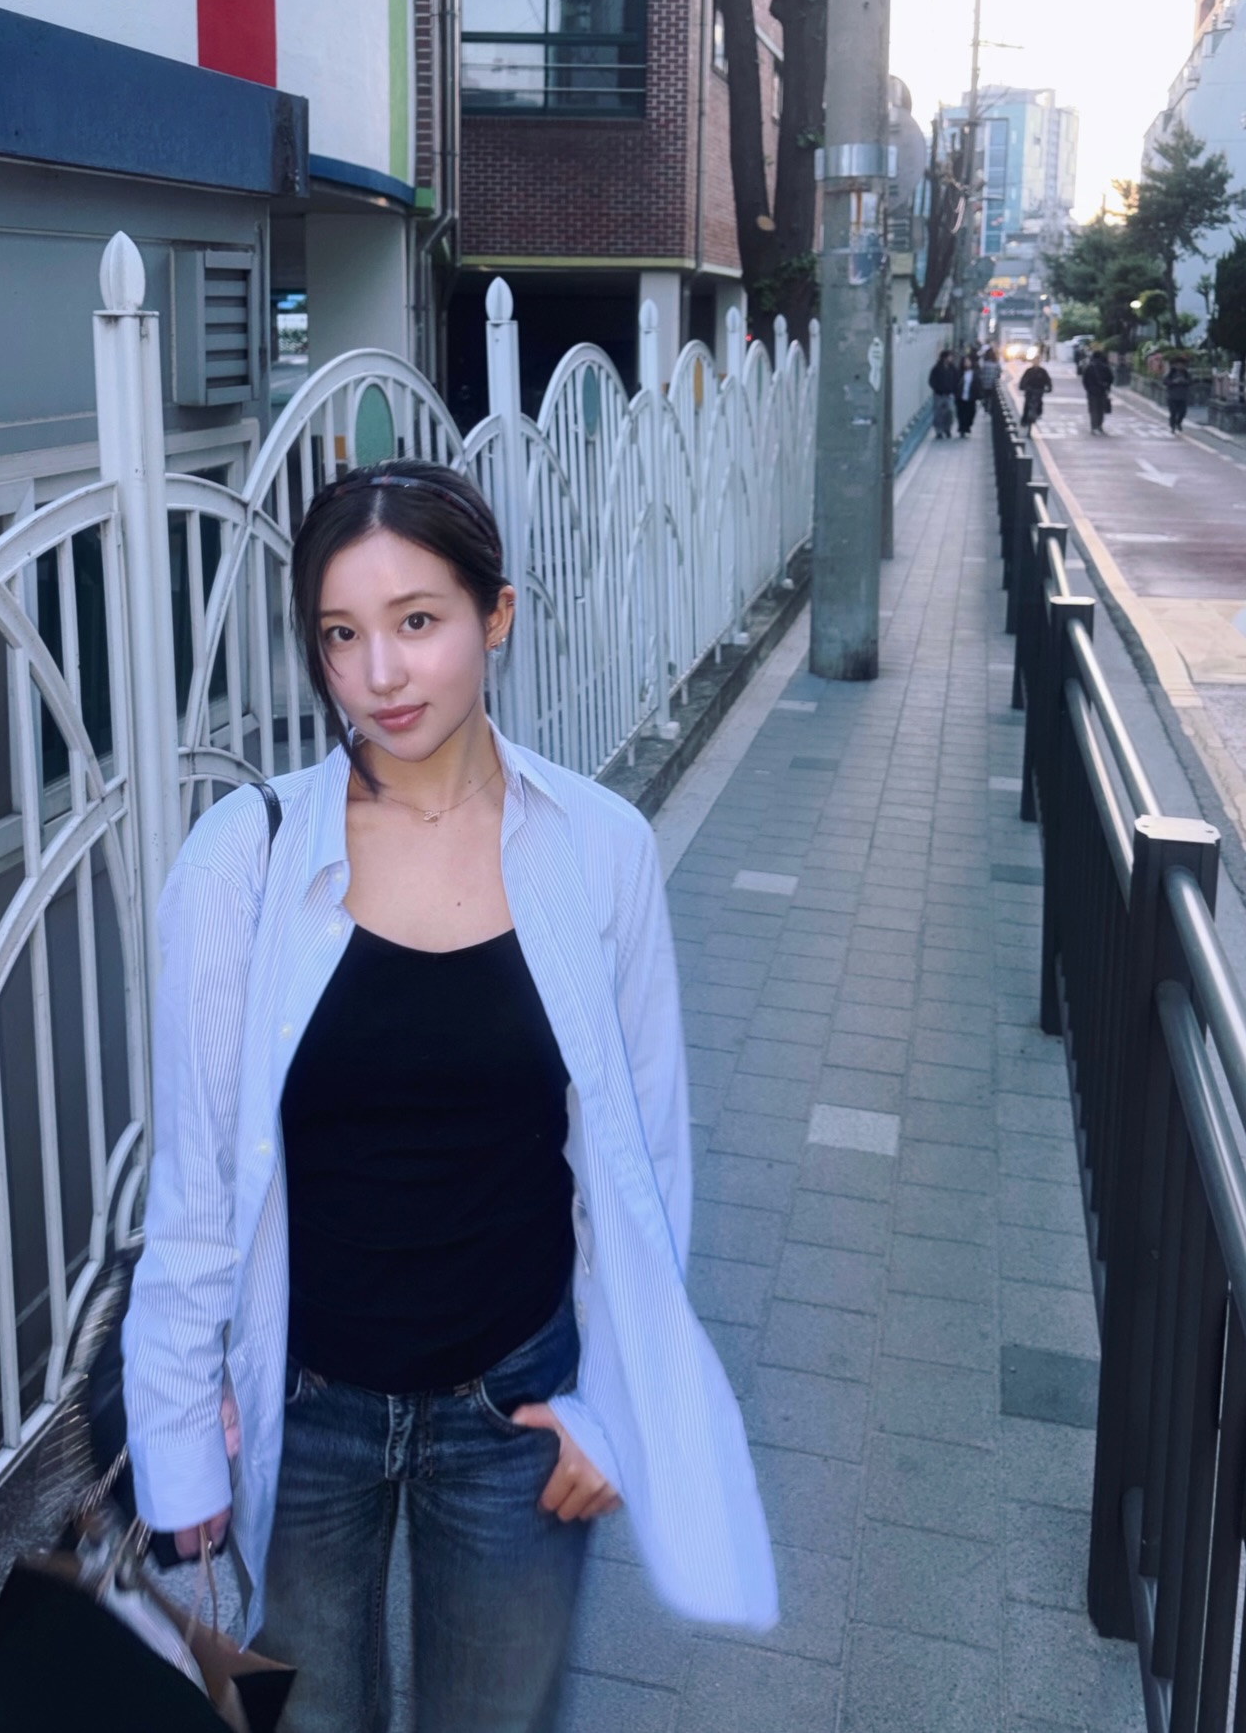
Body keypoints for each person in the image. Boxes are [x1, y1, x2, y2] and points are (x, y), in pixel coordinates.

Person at [122, 459, 777, 1732]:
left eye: (417, 619)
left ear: (497, 614)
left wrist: (613, 1415)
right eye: (341, 633)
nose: (380, 673)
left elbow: (642, 1161)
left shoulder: (599, 849)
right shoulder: (242, 860)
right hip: (299, 1407)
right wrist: (178, 1441)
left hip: (514, 1406)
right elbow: (196, 1187)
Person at [1081, 347, 1114, 435]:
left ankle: (1094, 426)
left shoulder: (1089, 367)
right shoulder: (1105, 367)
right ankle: (1099, 426)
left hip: (1092, 392)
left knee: (1093, 410)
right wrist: (1107, 387)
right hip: (1102, 391)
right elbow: (1111, 378)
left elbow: (1084, 380)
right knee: (1101, 410)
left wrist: (1088, 389)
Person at [929, 347, 958, 438]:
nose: (951, 358)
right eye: (950, 356)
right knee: (938, 413)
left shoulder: (952, 368)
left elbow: (956, 379)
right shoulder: (937, 368)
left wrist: (953, 389)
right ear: (945, 358)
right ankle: (939, 431)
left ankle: (947, 429)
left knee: (949, 412)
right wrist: (937, 388)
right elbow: (931, 380)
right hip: (939, 394)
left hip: (949, 394)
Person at [1020, 357, 1052, 431]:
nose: (1036, 363)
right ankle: (1024, 420)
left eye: (1037, 361)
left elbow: (1048, 380)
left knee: (1039, 402)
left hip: (1039, 391)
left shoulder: (1042, 371)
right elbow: (1023, 379)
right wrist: (1022, 386)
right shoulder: (1029, 371)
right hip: (1029, 391)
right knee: (1026, 404)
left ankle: (1038, 413)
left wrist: (1049, 388)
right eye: (1035, 361)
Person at [955, 350, 980, 437]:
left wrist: (979, 394)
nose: (966, 363)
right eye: (965, 362)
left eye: (968, 361)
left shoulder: (975, 373)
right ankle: (962, 428)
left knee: (971, 413)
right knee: (961, 413)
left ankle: (968, 425)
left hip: (971, 397)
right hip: (960, 396)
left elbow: (978, 384)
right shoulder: (959, 373)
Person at [1164, 356, 1192, 433]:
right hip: (1172, 397)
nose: (1180, 366)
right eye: (1178, 364)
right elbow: (1165, 381)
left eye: (1181, 364)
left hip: (1183, 397)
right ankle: (1172, 426)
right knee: (1173, 412)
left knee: (1182, 412)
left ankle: (1178, 422)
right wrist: (1174, 382)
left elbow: (1190, 382)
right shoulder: (1171, 373)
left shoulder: (1186, 373)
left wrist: (1183, 381)